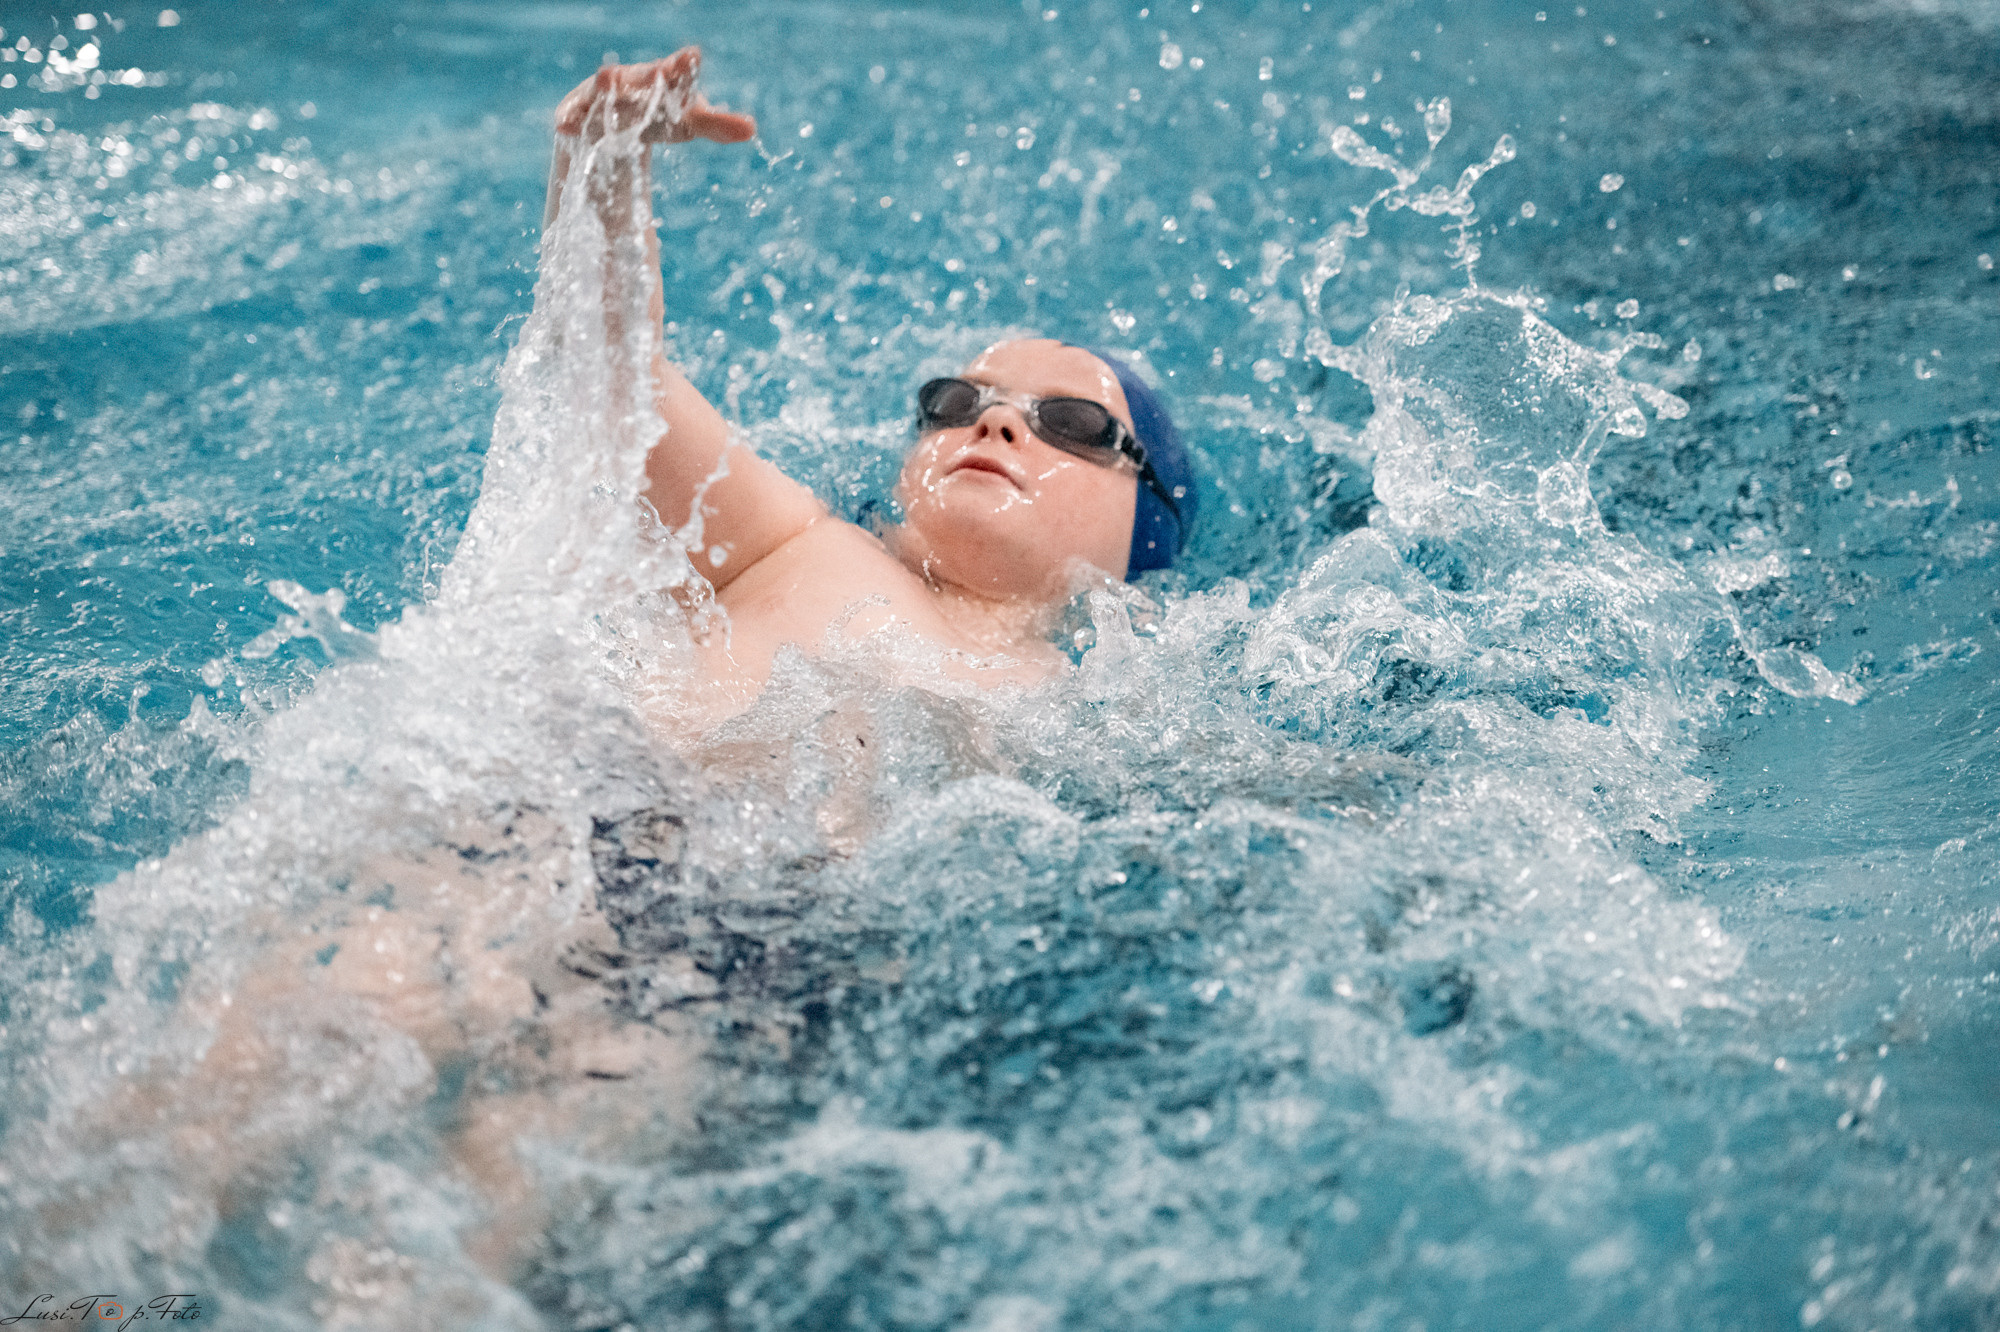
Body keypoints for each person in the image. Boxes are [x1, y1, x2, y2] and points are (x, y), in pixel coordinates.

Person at [547, 50, 1197, 724]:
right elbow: (611, 372)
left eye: (1072, 423)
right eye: (958, 401)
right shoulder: (786, 540)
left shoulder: (1089, 711)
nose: (996, 423)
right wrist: (602, 155)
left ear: (1146, 534)